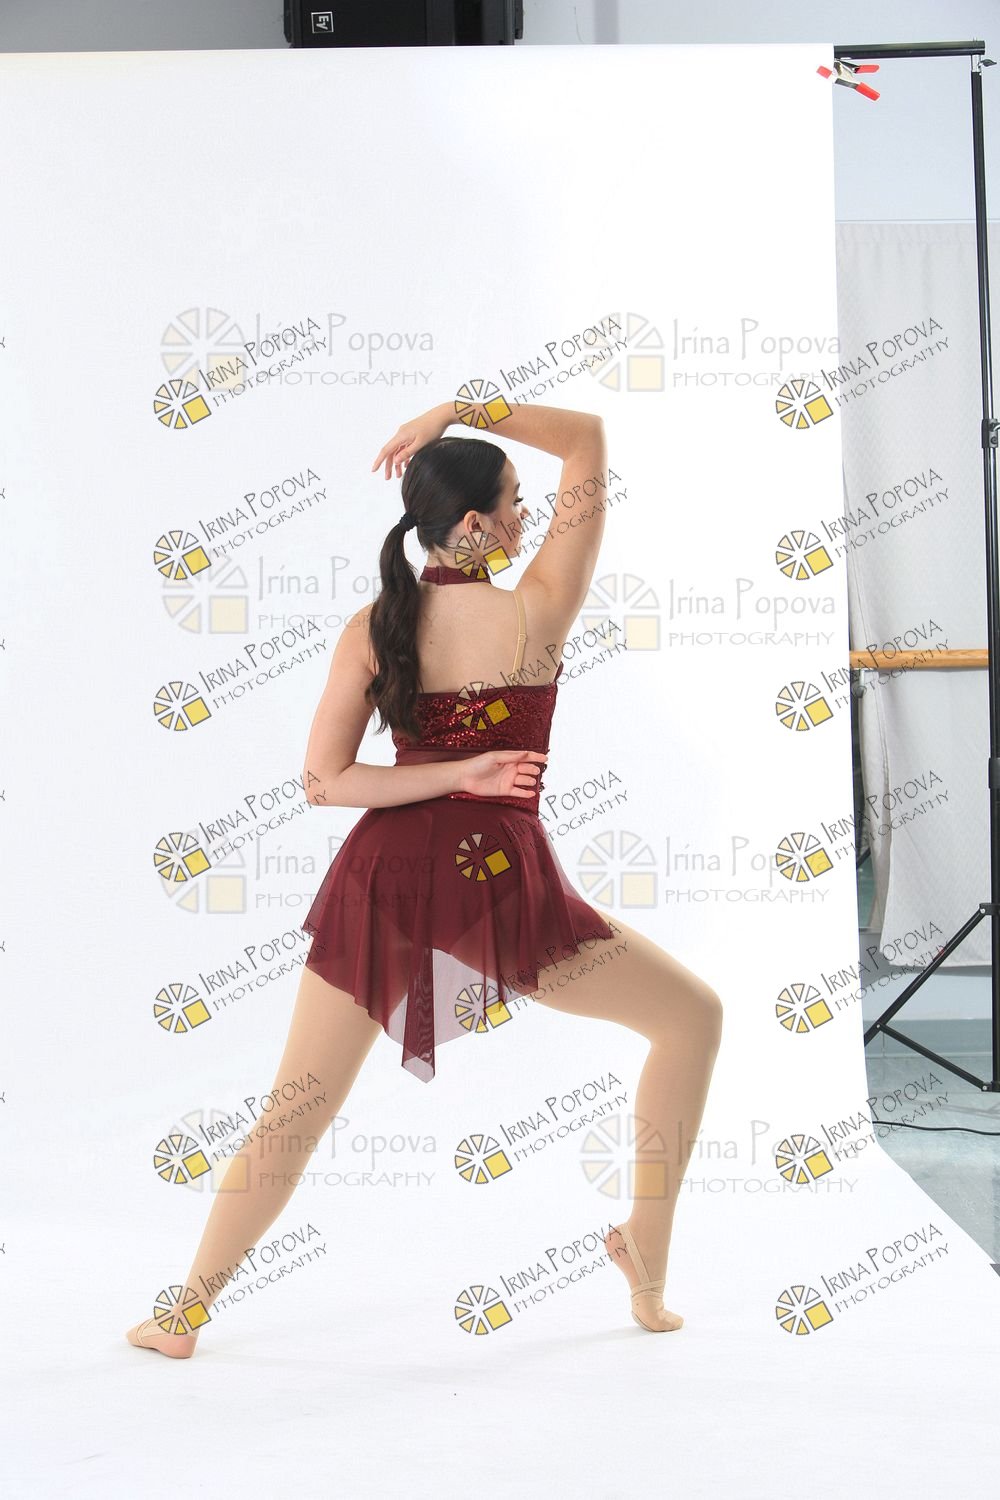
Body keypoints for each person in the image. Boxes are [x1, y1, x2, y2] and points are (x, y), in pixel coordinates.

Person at [125, 398, 722, 1356]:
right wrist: (455, 409)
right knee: (692, 1018)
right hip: (498, 886)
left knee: (296, 1109)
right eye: (516, 504)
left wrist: (445, 773)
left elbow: (325, 782)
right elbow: (586, 438)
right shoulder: (537, 608)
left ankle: (181, 1314)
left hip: (387, 882)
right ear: (476, 525)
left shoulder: (377, 624)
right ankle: (645, 1251)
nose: (528, 517)